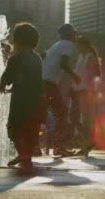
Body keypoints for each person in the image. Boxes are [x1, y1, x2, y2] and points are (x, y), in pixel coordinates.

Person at [0, 22, 46, 171]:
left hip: (20, 99)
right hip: (37, 99)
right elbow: (35, 80)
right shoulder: (37, 58)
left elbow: (8, 76)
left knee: (14, 126)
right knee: (31, 127)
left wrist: (2, 85)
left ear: (17, 40)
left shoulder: (15, 58)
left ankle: (22, 153)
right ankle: (27, 154)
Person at [41, 23, 80, 156]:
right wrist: (75, 76)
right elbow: (63, 64)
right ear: (69, 34)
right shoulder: (68, 44)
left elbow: (42, 55)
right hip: (49, 82)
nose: (75, 35)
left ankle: (35, 146)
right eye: (74, 33)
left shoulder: (56, 44)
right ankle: (59, 147)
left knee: (41, 112)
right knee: (61, 112)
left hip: (43, 81)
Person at [72, 35, 101, 156]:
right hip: (80, 91)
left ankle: (87, 145)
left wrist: (90, 91)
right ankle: (87, 144)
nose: (77, 47)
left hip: (87, 92)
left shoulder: (90, 57)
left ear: (84, 45)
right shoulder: (81, 56)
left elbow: (94, 77)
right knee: (82, 119)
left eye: (78, 45)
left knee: (86, 120)